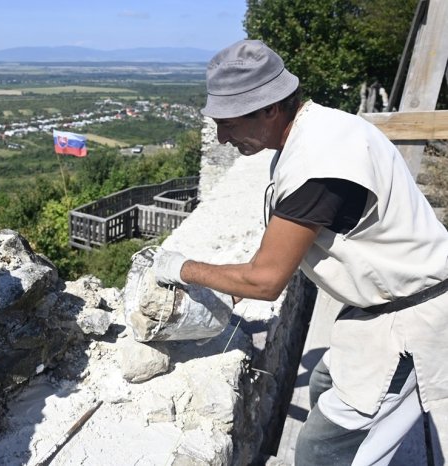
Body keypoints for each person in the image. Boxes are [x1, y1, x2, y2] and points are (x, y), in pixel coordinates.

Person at [152, 39, 448, 465]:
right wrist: (239, 276)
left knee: (320, 453)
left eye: (230, 123)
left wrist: (182, 266)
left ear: (270, 109)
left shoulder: (319, 163)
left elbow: (267, 281)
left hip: (410, 324)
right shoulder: (321, 128)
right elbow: (291, 241)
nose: (222, 136)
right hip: (385, 307)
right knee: (324, 384)